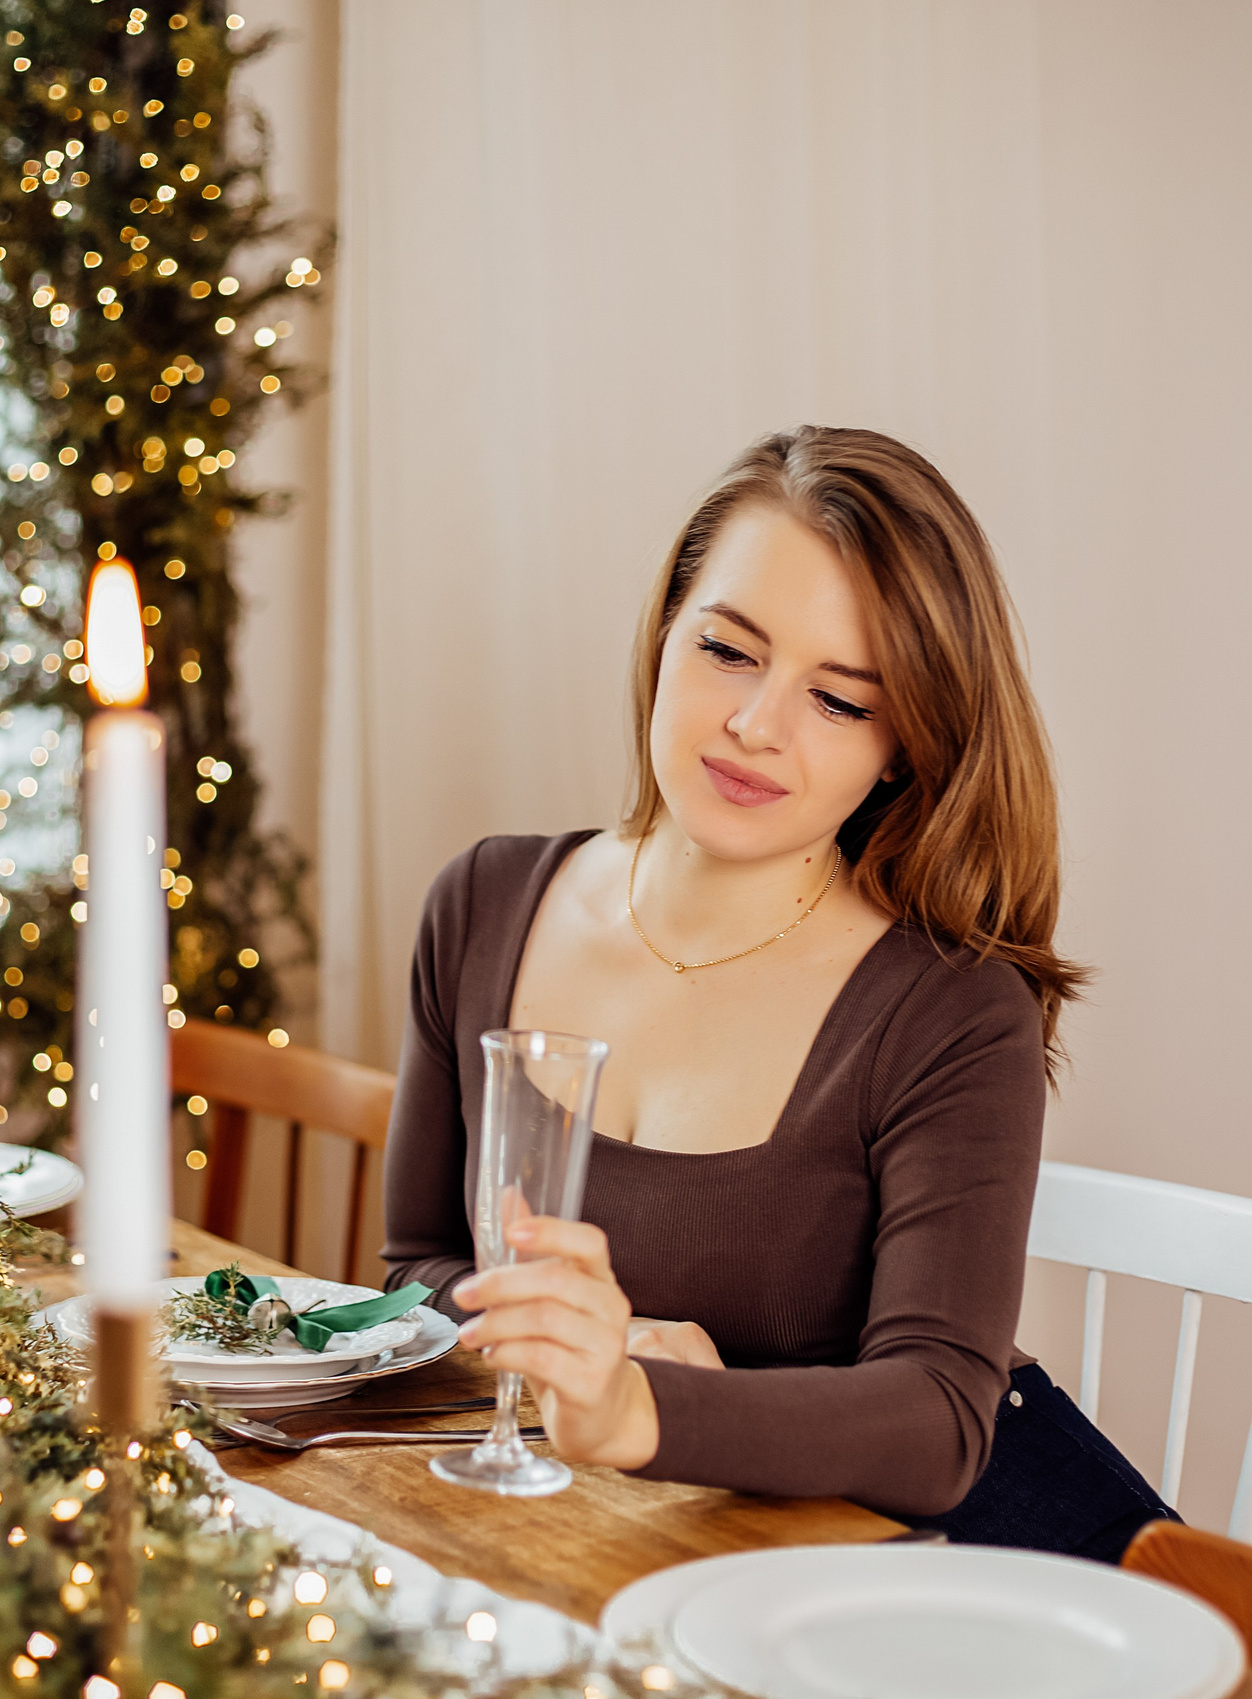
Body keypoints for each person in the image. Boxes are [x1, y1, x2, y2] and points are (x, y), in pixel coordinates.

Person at [378, 425, 1174, 1559]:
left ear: (902, 747)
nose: (756, 725)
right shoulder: (484, 905)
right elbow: (414, 1263)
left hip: (964, 1572)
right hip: (633, 1546)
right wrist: (592, 1348)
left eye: (841, 701)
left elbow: (942, 1418)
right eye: (728, 651)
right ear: (666, 635)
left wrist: (634, 1406)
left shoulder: (951, 1011)